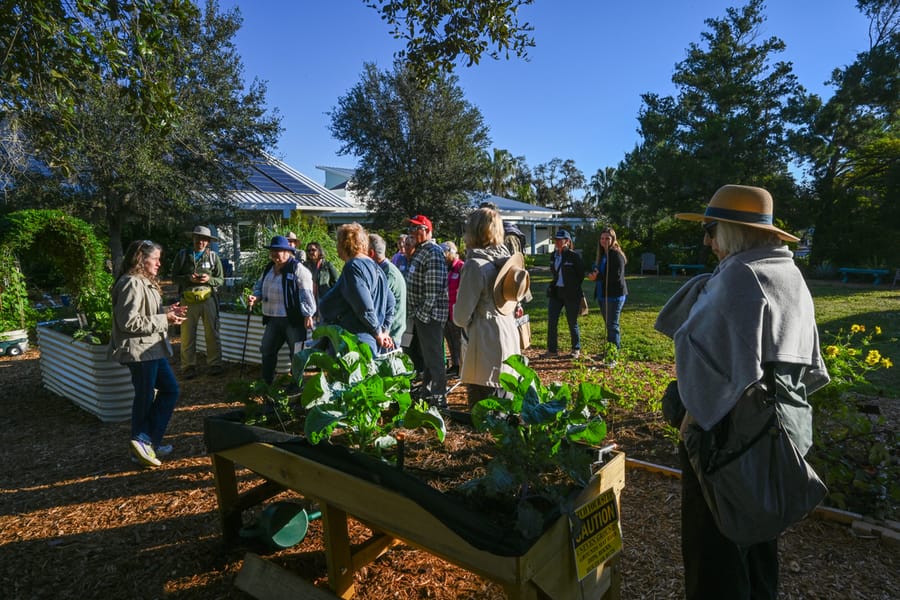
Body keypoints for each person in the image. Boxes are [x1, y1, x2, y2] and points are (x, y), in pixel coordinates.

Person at [654, 184, 830, 600]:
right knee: (757, 539)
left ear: (732, 231)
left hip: (727, 441)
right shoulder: (788, 274)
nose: (707, 241)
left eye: (710, 230)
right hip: (778, 432)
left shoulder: (740, 276)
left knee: (714, 554)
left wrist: (687, 416)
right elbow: (804, 365)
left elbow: (712, 371)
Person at [110, 240, 187, 467]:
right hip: (141, 351)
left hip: (152, 349)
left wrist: (167, 311)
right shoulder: (131, 283)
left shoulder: (142, 281)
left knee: (170, 390)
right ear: (141, 259)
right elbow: (128, 322)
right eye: (155, 259)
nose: (159, 263)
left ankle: (148, 442)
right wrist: (165, 319)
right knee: (145, 398)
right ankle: (142, 446)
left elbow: (145, 312)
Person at [452, 207, 525, 407]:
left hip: (484, 343)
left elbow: (460, 316)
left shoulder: (475, 265)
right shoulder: (506, 262)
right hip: (508, 337)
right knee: (505, 406)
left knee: (484, 411)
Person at [248, 236, 316, 384]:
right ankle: (267, 383)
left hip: (293, 320)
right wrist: (255, 297)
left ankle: (297, 385)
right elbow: (259, 286)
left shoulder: (298, 269)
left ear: (287, 252)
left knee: (297, 354)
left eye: (277, 251)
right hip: (273, 318)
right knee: (267, 350)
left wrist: (308, 314)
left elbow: (306, 293)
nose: (274, 254)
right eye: (272, 251)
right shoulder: (269, 268)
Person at [319, 224, 395, 356]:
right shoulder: (376, 268)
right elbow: (391, 301)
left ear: (344, 244)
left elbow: (364, 306)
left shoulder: (353, 267)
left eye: (338, 242)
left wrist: (378, 332)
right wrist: (384, 331)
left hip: (353, 343)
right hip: (367, 342)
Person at [405, 214, 449, 408]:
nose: (412, 232)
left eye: (416, 228)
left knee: (435, 358)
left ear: (427, 230)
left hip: (430, 316)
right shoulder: (421, 251)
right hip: (422, 315)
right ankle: (427, 393)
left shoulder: (433, 252)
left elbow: (433, 290)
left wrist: (421, 315)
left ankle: (439, 399)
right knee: (429, 357)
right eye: (411, 229)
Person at [170, 225, 225, 379]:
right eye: (198, 238)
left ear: (208, 241)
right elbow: (174, 277)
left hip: (208, 299)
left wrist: (209, 279)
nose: (200, 242)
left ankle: (215, 364)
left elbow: (220, 279)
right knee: (187, 334)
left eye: (204, 239)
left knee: (212, 333)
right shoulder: (183, 255)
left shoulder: (213, 257)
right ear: (193, 238)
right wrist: (189, 278)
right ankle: (188, 366)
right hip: (188, 299)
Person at [587, 227, 628, 364]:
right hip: (602, 295)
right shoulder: (602, 255)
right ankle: (608, 351)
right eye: (602, 238)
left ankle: (613, 357)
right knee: (608, 325)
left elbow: (616, 277)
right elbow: (597, 268)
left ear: (613, 239)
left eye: (607, 238)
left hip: (614, 296)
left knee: (612, 326)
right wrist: (594, 271)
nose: (604, 241)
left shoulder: (616, 255)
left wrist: (597, 277)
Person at [544, 229, 585, 359]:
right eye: (556, 240)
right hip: (556, 292)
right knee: (552, 321)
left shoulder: (574, 256)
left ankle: (575, 349)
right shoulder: (553, 255)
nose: (557, 242)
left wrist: (572, 286)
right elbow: (554, 272)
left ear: (567, 241)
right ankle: (552, 350)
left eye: (560, 240)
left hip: (571, 293)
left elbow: (581, 275)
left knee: (572, 321)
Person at [369, 233, 407, 349]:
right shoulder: (382, 269)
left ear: (370, 253)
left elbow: (379, 304)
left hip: (389, 336)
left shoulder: (388, 273)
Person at [441, 241, 464, 377]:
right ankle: (455, 364)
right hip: (446, 311)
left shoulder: (461, 267)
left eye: (445, 254)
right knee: (450, 339)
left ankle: (462, 366)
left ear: (451, 253)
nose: (443, 257)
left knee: (459, 340)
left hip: (457, 311)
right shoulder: (445, 268)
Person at [304, 241, 340, 306]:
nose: (311, 252)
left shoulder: (327, 265)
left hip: (324, 299)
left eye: (313, 250)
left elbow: (337, 283)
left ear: (319, 251)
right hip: (309, 299)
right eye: (308, 251)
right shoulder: (304, 266)